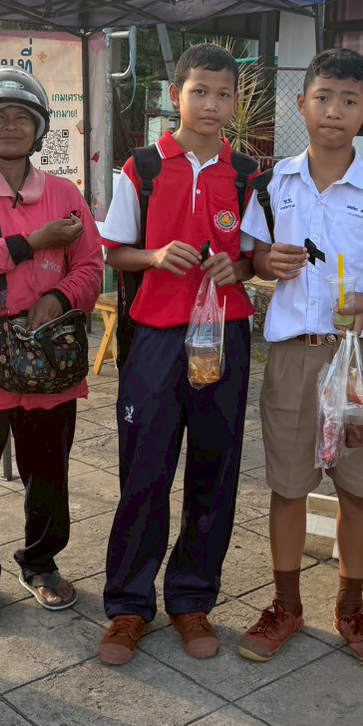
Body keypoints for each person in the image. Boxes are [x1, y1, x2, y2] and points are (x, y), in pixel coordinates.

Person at [237, 48, 363, 668]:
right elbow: (250, 257)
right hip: (293, 356)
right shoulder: (270, 185)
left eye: (348, 101)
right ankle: (286, 606)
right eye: (322, 99)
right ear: (301, 105)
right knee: (288, 486)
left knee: (358, 487)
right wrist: (266, 264)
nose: (333, 112)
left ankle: (351, 608)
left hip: (359, 359)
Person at [97, 42, 258, 665]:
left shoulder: (248, 174)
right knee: (145, 471)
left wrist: (237, 266)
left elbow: (254, 257)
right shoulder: (142, 169)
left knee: (214, 472)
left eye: (223, 94)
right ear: (175, 96)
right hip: (157, 339)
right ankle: (128, 606)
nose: (212, 104)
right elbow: (113, 254)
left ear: (234, 102)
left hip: (226, 337)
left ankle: (192, 599)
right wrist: (156, 257)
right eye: (200, 92)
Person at [0, 68, 103, 626]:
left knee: (48, 470)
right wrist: (33, 243)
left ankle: (42, 562)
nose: (10, 126)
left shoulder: (64, 192)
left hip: (51, 359)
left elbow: (91, 265)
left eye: (22, 117)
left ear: (40, 130)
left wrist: (58, 298)